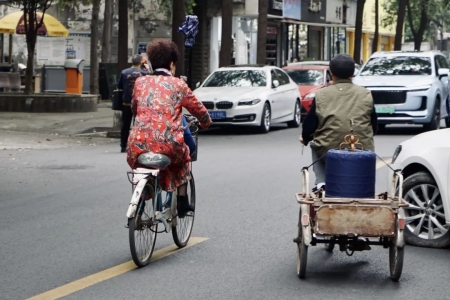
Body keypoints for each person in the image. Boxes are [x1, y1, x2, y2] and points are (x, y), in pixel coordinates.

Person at [127, 39, 211, 217]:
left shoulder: (140, 83)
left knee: (140, 163)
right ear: (172, 64)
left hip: (137, 143)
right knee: (184, 157)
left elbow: (134, 108)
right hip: (168, 144)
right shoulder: (178, 84)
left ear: (150, 62)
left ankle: (142, 195)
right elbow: (198, 109)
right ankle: (182, 201)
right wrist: (206, 122)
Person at [299, 54, 378, 192]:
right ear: (353, 74)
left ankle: (321, 183)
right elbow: (374, 126)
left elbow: (309, 125)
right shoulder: (366, 94)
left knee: (314, 144)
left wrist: (305, 138)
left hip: (328, 151)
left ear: (331, 73)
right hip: (362, 149)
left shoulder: (321, 95)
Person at [117, 54, 149, 153]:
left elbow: (119, 87)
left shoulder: (124, 72)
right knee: (139, 125)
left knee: (125, 125)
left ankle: (123, 145)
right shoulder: (144, 74)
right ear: (141, 62)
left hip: (126, 102)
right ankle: (138, 145)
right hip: (139, 103)